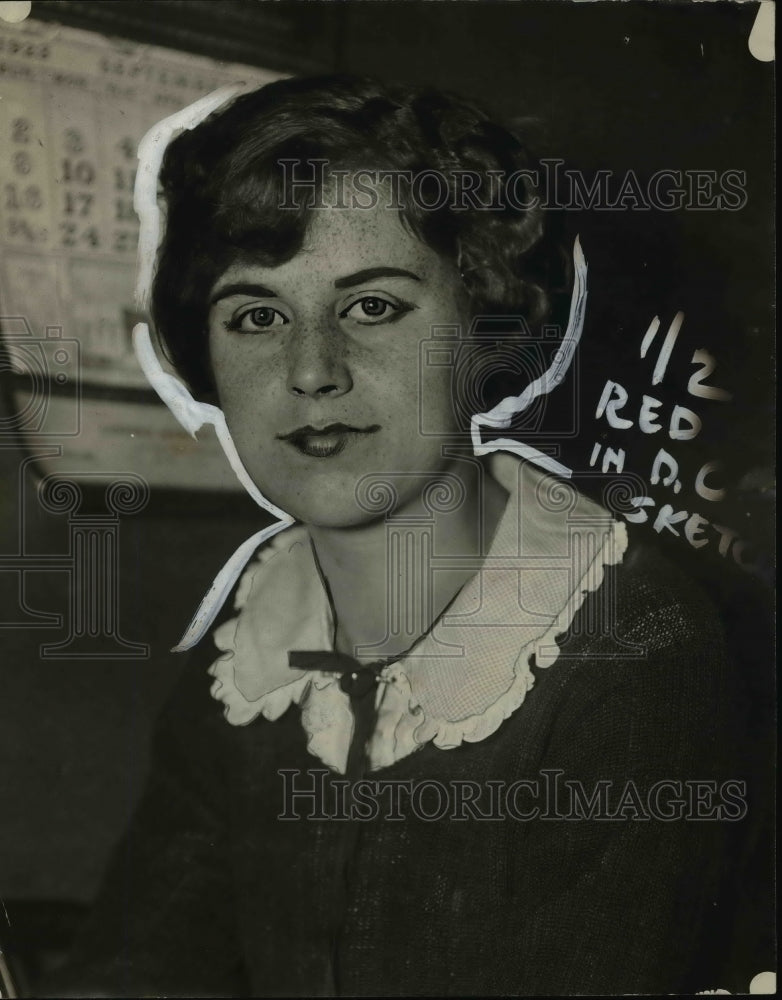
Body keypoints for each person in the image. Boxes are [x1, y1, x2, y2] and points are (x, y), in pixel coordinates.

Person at [43, 75, 738, 997]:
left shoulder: (634, 657)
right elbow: (136, 969)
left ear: (482, 322)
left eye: (372, 306)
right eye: (257, 315)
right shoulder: (252, 653)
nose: (311, 369)